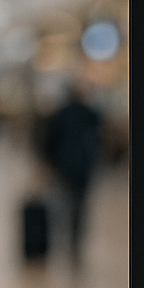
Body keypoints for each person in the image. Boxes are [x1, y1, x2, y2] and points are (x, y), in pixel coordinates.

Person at [44, 82, 101, 261]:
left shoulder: (61, 114)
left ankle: (62, 237)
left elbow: (49, 142)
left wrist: (48, 163)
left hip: (64, 166)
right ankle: (74, 239)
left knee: (63, 203)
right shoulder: (89, 114)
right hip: (82, 166)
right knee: (79, 205)